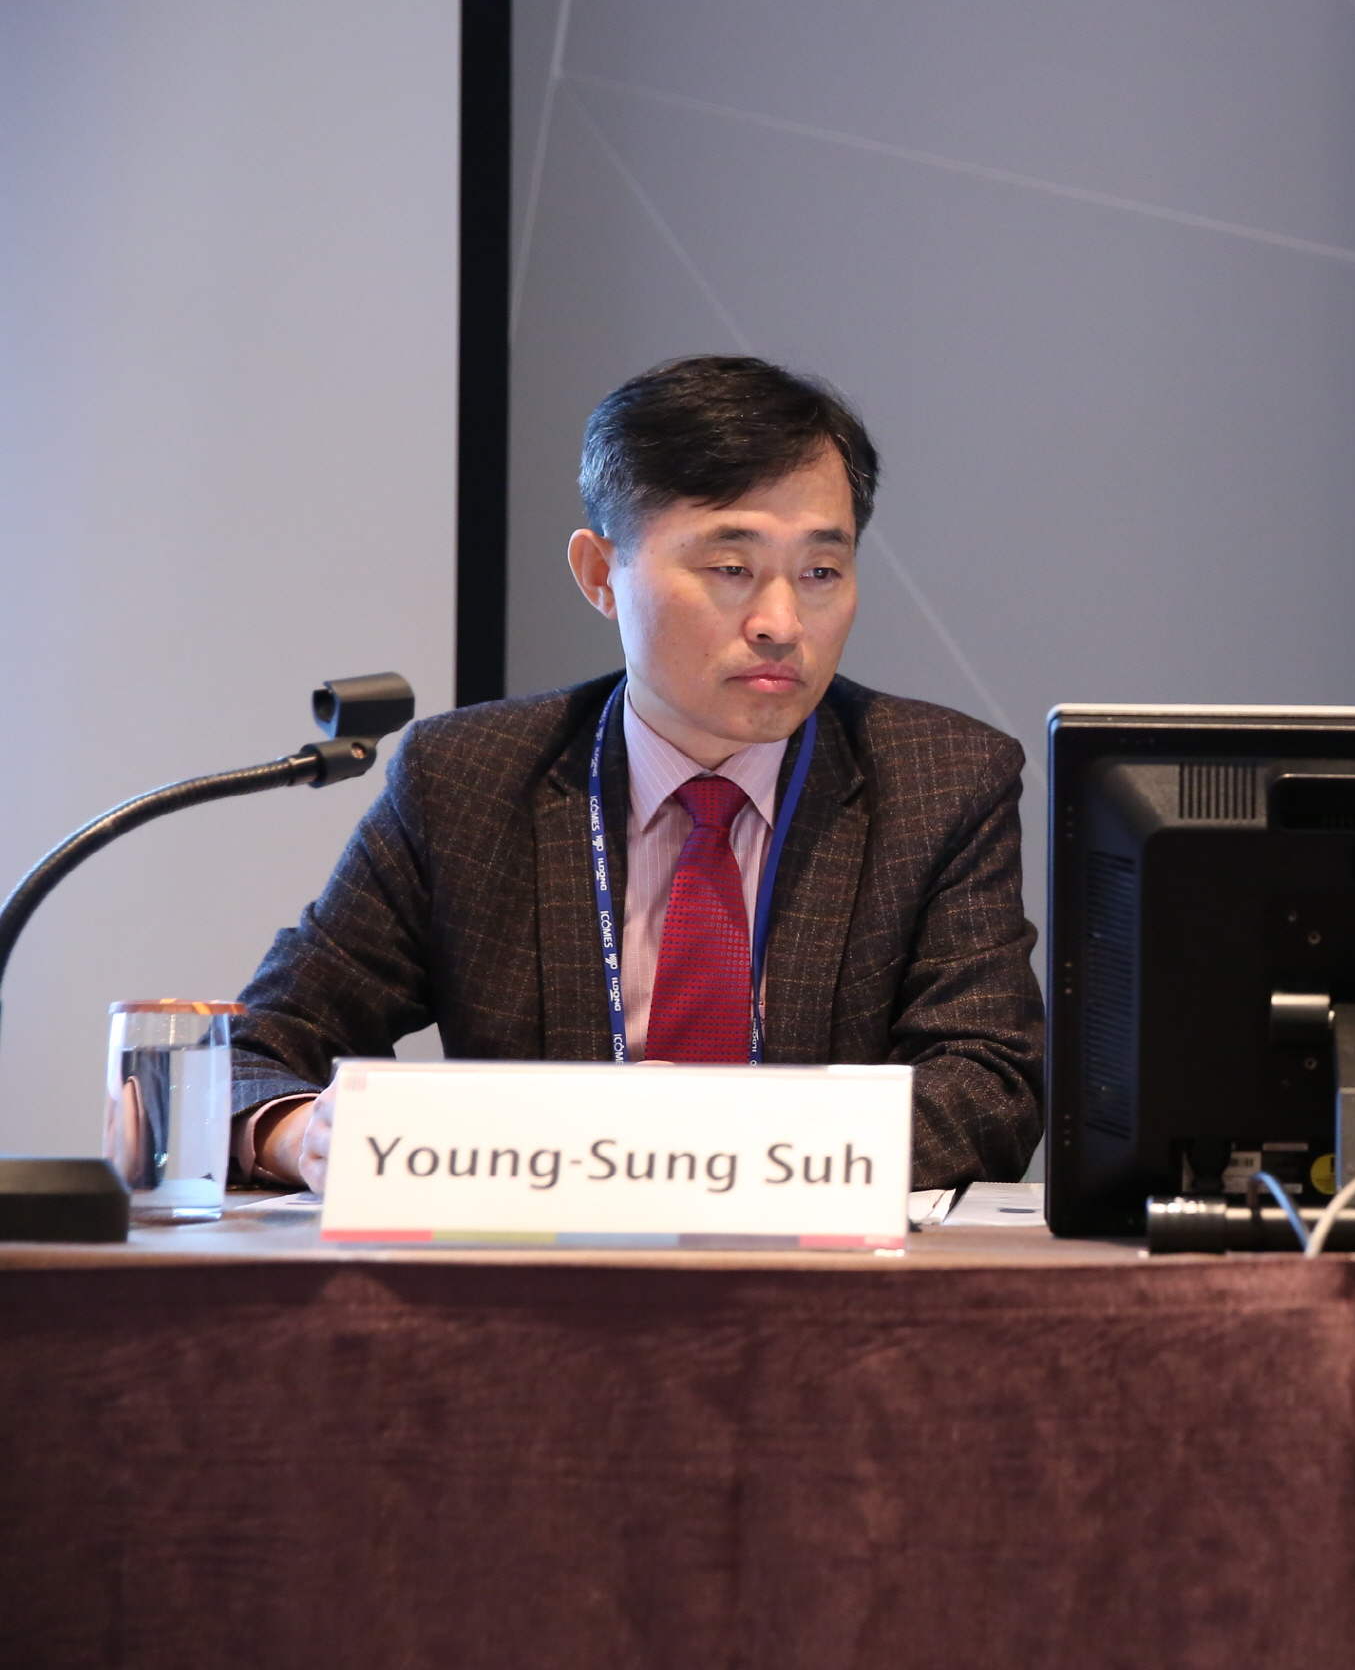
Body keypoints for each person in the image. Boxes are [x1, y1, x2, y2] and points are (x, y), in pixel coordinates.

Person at [232, 356, 1042, 1191]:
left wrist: (678, 1153)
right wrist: (298, 1137)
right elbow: (260, 1047)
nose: (781, 622)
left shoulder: (940, 780)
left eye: (820, 573)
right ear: (600, 575)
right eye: (731, 570)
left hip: (814, 1263)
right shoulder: (467, 780)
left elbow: (990, 1090)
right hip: (535, 1264)